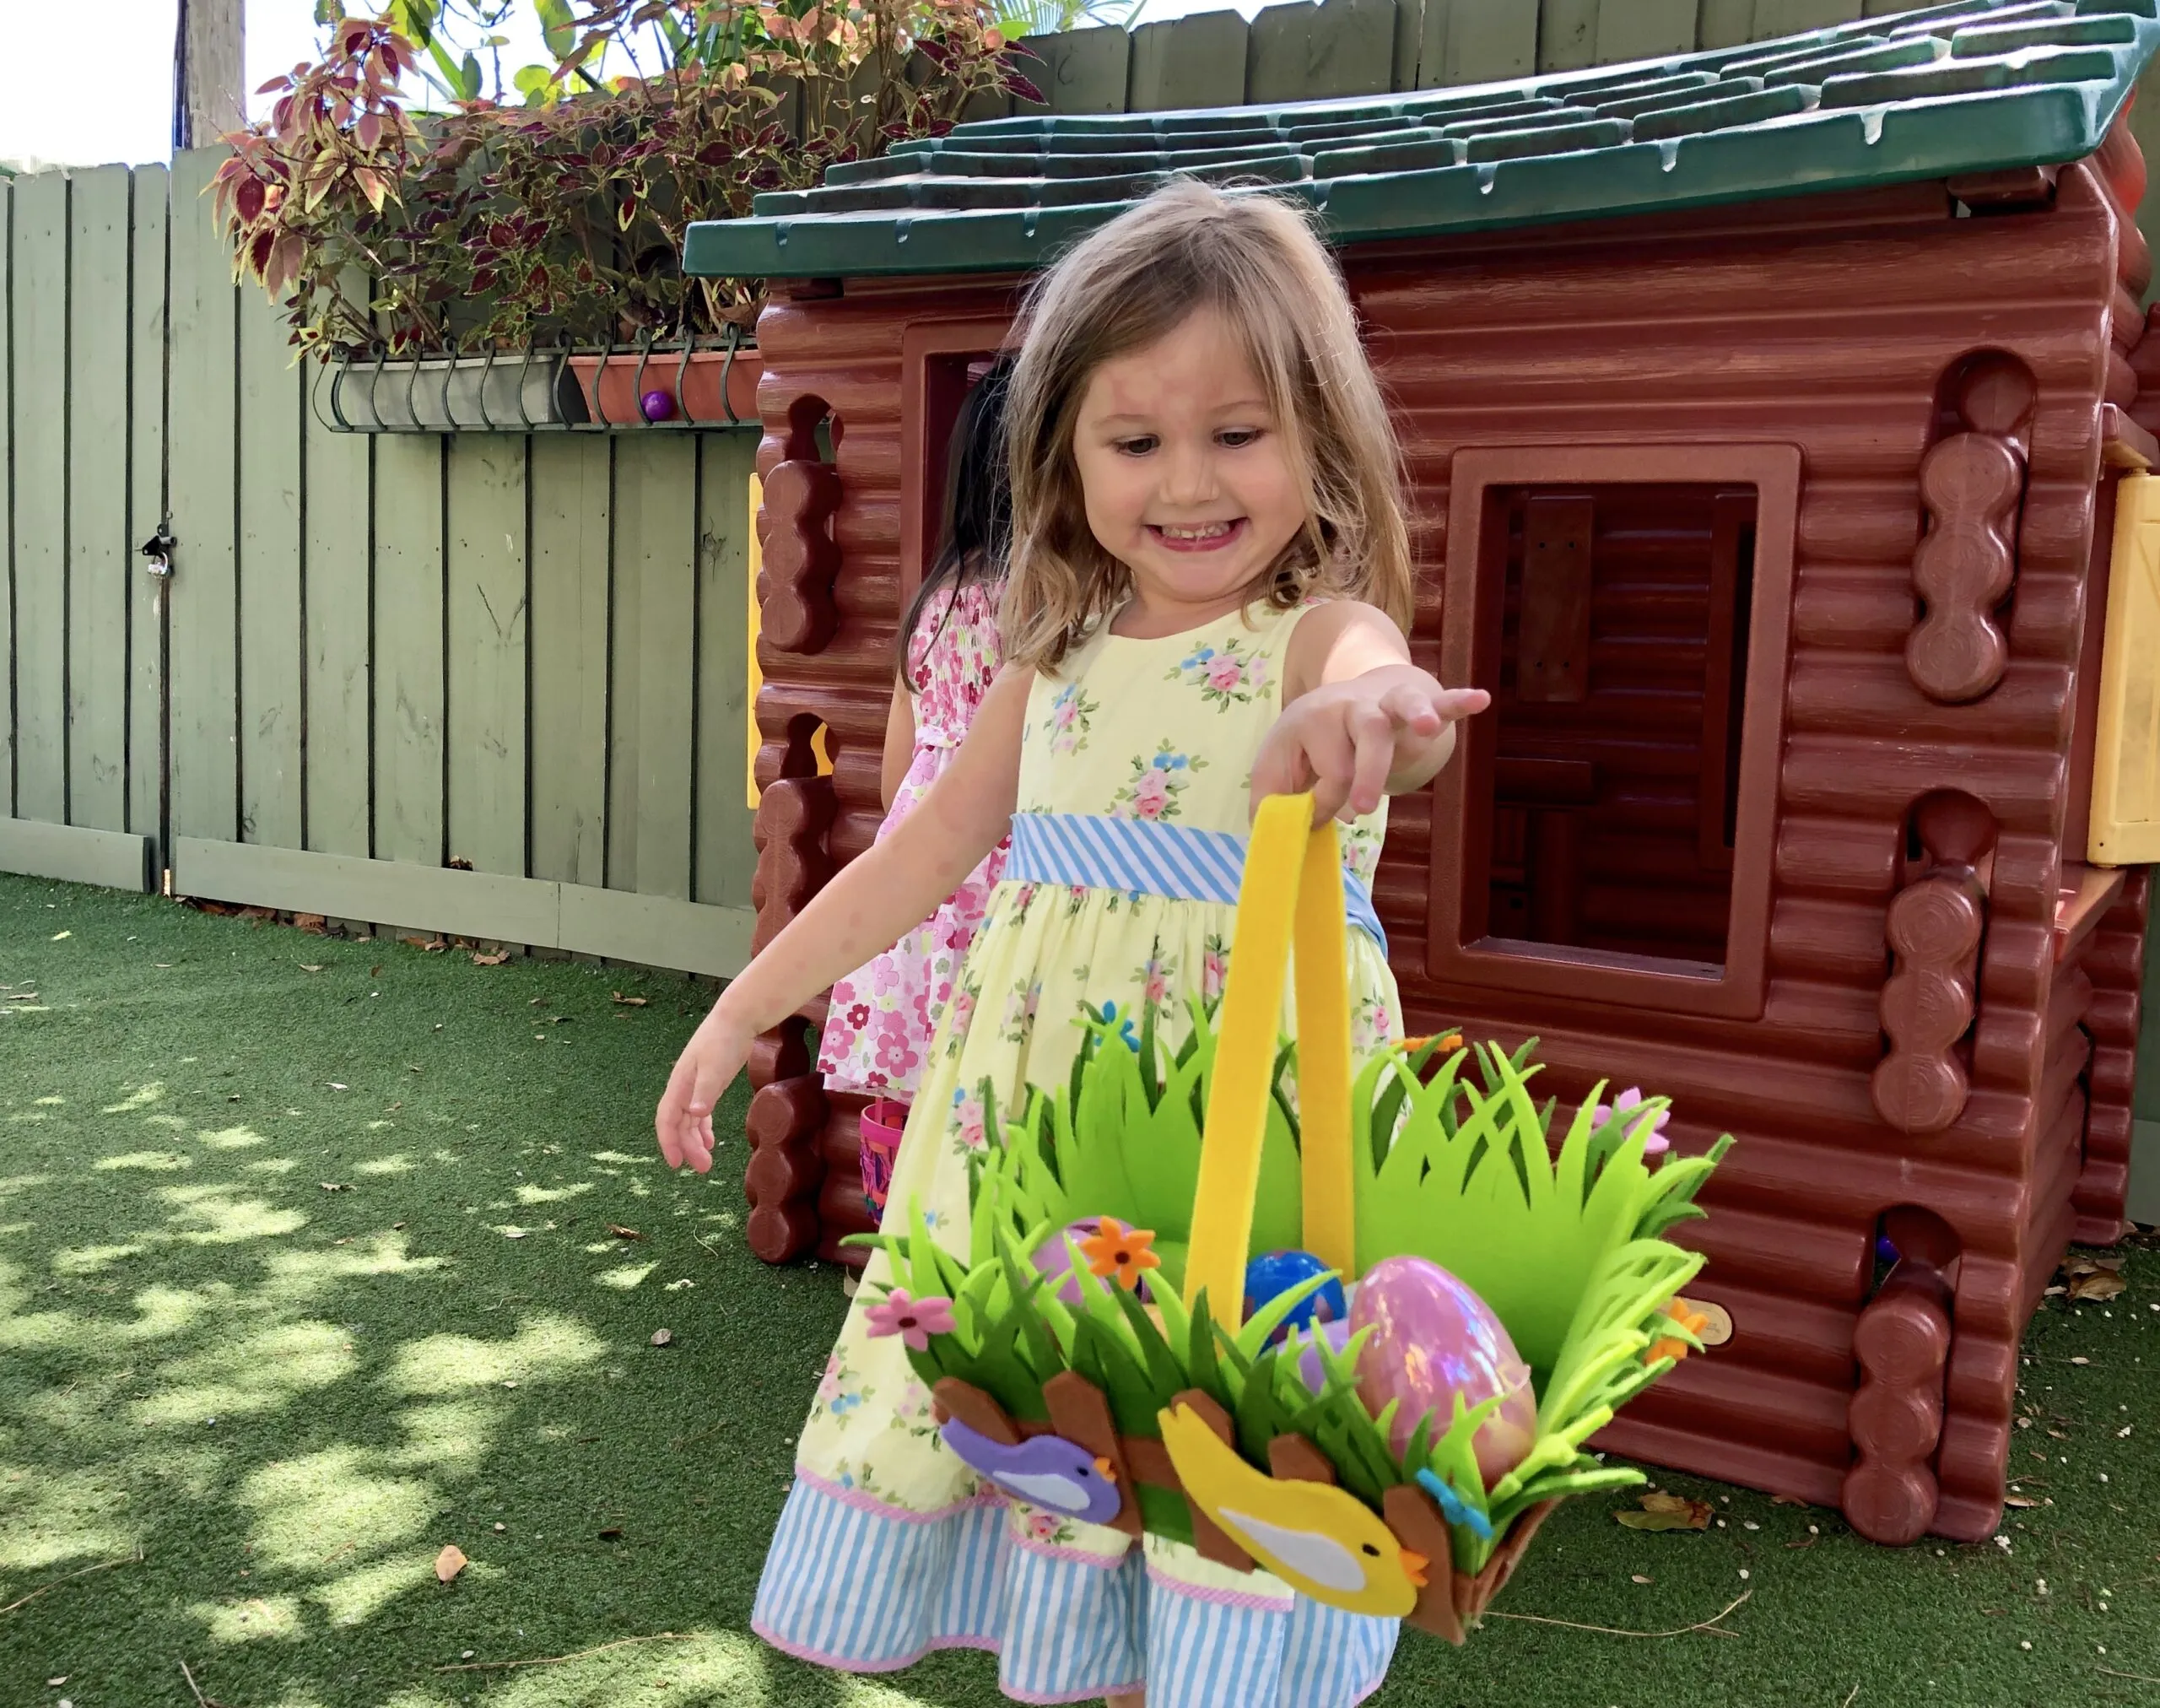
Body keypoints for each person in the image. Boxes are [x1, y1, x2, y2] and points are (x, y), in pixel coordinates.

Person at [656, 177, 1490, 1708]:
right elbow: (911, 857)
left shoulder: (1315, 633)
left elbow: (1396, 697)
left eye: (1239, 433)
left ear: (1322, 434)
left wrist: (1377, 713)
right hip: (1031, 1136)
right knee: (1066, 1434)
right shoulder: (1059, 661)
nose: (1189, 481)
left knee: (1205, 1457)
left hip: (1224, 1154)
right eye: (1136, 439)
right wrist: (742, 1010)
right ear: (1066, 455)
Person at [814, 359, 1015, 1206]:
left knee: (913, 1075)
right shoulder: (1054, 604)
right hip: (1010, 873)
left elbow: (900, 774)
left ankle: (888, 1252)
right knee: (1000, 1072)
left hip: (922, 896)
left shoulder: (935, 602)